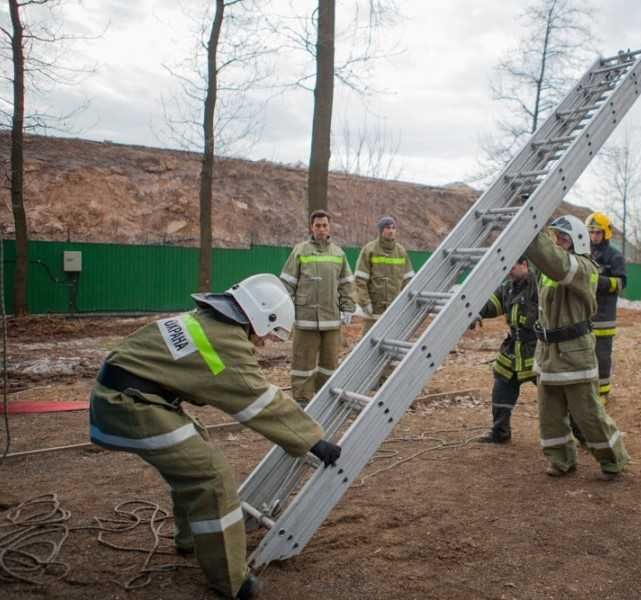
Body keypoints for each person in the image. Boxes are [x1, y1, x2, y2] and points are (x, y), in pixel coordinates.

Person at [88, 274, 342, 599]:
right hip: (129, 406)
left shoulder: (205, 321)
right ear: (261, 316)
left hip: (128, 397)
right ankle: (232, 581)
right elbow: (258, 401)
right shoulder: (226, 343)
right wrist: (313, 441)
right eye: (265, 335)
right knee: (210, 474)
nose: (261, 343)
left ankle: (190, 539)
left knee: (192, 450)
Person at [525, 215, 629, 479]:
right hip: (548, 352)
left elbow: (555, 263)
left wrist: (530, 227)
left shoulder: (583, 267)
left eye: (563, 237)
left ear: (578, 241)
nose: (557, 241)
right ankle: (561, 460)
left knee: (588, 414)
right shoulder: (553, 267)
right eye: (555, 236)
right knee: (549, 414)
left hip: (574, 352)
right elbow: (540, 261)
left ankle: (613, 459)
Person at [280, 210, 357, 404]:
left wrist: (347, 307)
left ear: (329, 227)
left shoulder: (338, 253)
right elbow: (287, 283)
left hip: (331, 319)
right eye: (317, 225)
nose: (321, 229)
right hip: (305, 318)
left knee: (329, 364)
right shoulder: (300, 250)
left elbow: (347, 283)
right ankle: (302, 401)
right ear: (311, 227)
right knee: (302, 363)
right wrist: (285, 312)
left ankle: (326, 399)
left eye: (324, 225)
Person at [475, 257, 539, 444]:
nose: (508, 272)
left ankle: (581, 433)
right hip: (513, 347)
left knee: (556, 394)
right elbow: (492, 304)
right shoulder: (508, 287)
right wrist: (476, 312)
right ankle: (500, 432)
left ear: (525, 264)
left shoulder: (539, 285)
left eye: (512, 267)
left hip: (537, 348)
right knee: (502, 387)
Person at [584, 211, 626, 402]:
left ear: (606, 233)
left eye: (598, 232)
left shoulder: (614, 256)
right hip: (584, 313)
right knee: (584, 353)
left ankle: (602, 392)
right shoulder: (584, 252)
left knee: (602, 355)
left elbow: (620, 284)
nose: (594, 236)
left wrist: (597, 281)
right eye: (591, 232)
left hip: (604, 315)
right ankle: (586, 390)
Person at [354, 216, 415, 337]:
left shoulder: (401, 252)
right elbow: (360, 280)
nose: (391, 231)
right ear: (381, 230)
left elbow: (409, 281)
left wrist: (404, 304)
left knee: (392, 344)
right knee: (368, 345)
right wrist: (365, 303)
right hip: (373, 311)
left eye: (393, 228)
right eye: (387, 228)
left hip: (394, 310)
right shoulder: (369, 250)